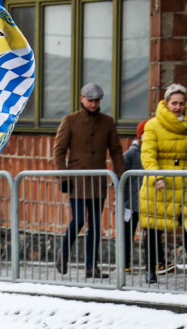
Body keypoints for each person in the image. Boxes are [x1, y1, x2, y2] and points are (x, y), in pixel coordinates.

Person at [53, 82, 125, 279]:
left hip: (97, 180)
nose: (93, 104)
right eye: (90, 100)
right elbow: (59, 151)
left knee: (95, 223)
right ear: (82, 99)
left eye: (97, 101)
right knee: (77, 220)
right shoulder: (70, 121)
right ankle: (64, 252)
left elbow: (116, 150)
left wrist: (121, 175)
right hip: (77, 179)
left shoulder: (107, 122)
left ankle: (92, 266)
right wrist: (64, 176)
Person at [140, 83, 187, 282]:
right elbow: (148, 155)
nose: (178, 107)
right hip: (161, 185)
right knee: (153, 228)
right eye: (174, 103)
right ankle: (151, 269)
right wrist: (157, 176)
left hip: (184, 183)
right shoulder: (153, 125)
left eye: (181, 103)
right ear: (166, 103)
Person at [123, 120, 146, 281]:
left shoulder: (150, 153)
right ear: (139, 136)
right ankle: (125, 263)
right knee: (127, 234)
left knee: (150, 233)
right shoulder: (130, 155)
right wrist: (122, 201)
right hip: (130, 204)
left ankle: (155, 262)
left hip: (145, 202)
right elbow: (120, 178)